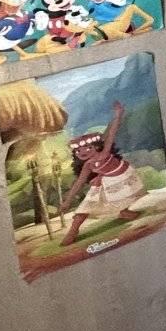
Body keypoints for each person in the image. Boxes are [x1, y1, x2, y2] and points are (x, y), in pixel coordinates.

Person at [59, 102, 146, 246]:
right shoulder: (88, 165)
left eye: (87, 148)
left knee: (123, 195)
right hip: (107, 181)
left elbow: (111, 133)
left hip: (123, 176)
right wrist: (67, 201)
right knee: (88, 204)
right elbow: (79, 183)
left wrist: (118, 115)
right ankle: (73, 231)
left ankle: (124, 211)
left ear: (96, 147)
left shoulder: (104, 153)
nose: (82, 152)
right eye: (78, 151)